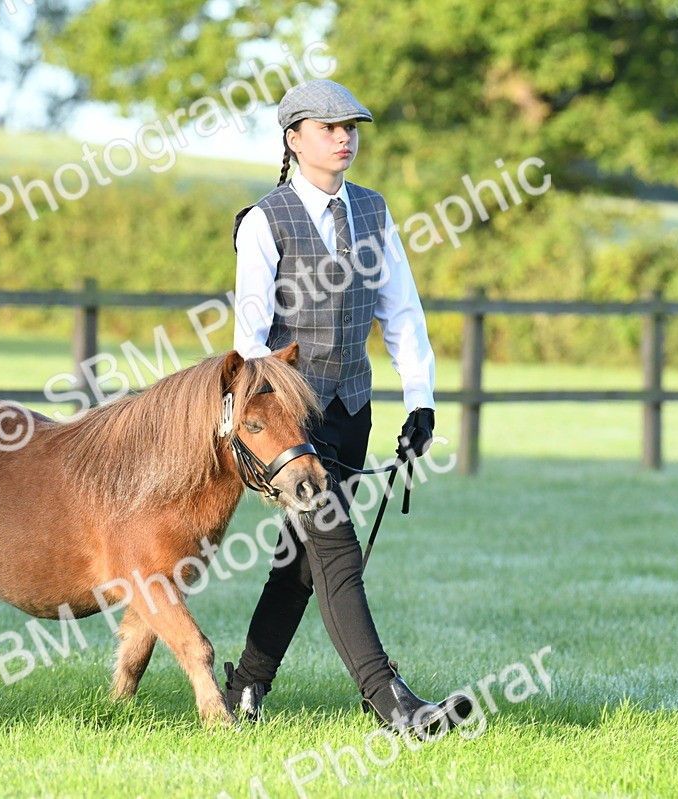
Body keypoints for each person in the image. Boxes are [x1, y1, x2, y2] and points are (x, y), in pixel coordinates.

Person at [223, 79, 473, 737]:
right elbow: (249, 343)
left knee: (302, 563)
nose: (344, 137)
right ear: (293, 138)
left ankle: (245, 685)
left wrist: (420, 401)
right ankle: (390, 700)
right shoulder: (263, 222)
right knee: (336, 551)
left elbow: (402, 312)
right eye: (328, 127)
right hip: (291, 422)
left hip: (352, 412)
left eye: (351, 127)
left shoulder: (373, 211)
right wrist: (269, 428)